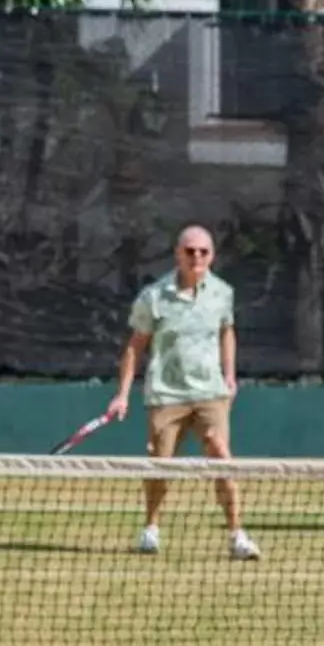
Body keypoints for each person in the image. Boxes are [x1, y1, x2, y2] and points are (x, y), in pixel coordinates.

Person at [107, 226, 260, 561]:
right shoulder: (153, 296)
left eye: (203, 251)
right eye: (190, 251)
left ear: (212, 255)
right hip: (166, 394)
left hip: (210, 392)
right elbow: (135, 347)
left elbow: (226, 332)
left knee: (222, 456)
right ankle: (150, 528)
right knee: (160, 465)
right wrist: (122, 394)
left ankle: (237, 535)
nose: (196, 258)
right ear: (178, 254)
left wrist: (230, 375)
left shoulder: (222, 293)